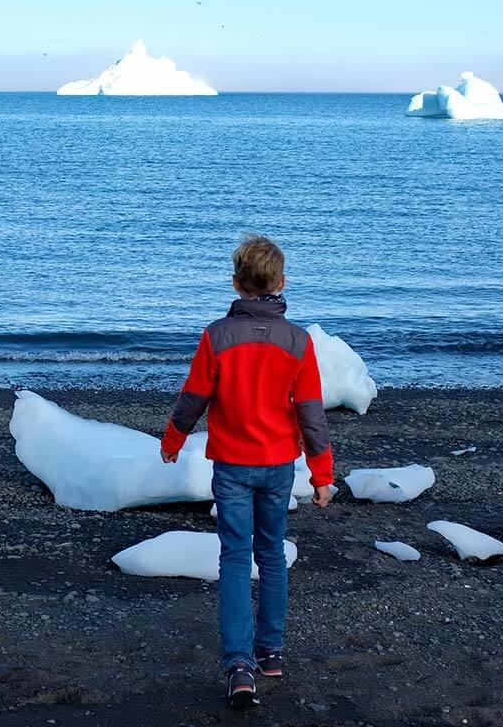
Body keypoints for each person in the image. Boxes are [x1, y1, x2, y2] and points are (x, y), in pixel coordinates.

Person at [160, 233, 334, 709]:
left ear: (236, 284)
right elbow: (311, 413)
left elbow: (193, 397)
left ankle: (239, 664)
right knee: (271, 554)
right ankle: (270, 652)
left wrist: (173, 440)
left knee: (236, 558)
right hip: (278, 464)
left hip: (233, 466)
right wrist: (322, 474)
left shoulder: (217, 335)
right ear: (281, 282)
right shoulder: (298, 340)